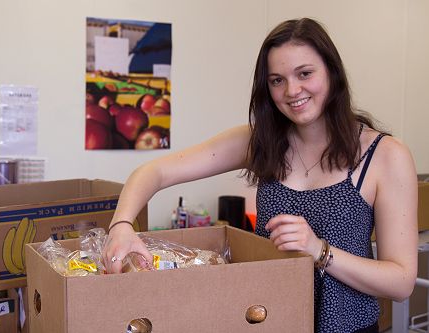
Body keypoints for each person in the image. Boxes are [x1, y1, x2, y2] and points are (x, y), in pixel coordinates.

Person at [102, 18, 418, 333]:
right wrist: (121, 226)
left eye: (305, 73)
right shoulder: (261, 143)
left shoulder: (384, 155)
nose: (292, 91)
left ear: (332, 72)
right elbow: (154, 172)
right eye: (277, 80)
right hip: (268, 322)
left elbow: (401, 282)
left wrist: (319, 251)